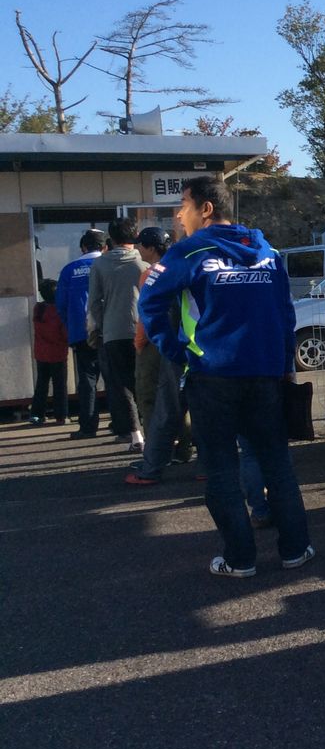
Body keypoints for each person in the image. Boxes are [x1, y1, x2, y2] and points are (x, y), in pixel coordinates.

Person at [139, 176, 312, 578]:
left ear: (206, 209)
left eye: (184, 205)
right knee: (277, 464)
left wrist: (176, 351)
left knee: (220, 470)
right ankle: (295, 550)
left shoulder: (189, 251)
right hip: (265, 375)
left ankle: (240, 560)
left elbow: (150, 302)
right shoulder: (267, 251)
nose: (178, 215)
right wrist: (284, 364)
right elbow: (285, 312)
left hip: (212, 376)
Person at [126, 227, 186, 486]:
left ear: (151, 248)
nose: (138, 249)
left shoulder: (152, 274)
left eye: (140, 245)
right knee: (188, 401)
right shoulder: (184, 266)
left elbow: (147, 314)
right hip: (191, 343)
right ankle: (187, 451)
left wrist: (140, 342)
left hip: (160, 345)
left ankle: (154, 459)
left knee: (154, 401)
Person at [88, 218, 148, 449]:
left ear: (111, 238)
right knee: (146, 381)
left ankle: (135, 435)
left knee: (122, 385)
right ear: (135, 235)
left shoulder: (100, 265)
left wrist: (104, 325)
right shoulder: (144, 261)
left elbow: (94, 302)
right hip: (143, 330)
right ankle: (153, 430)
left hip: (113, 332)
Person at [56, 229, 105, 438]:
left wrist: (71, 326)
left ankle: (88, 427)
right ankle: (124, 426)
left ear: (83, 247)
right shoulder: (108, 265)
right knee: (116, 378)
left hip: (81, 332)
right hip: (110, 330)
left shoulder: (69, 270)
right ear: (104, 247)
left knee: (87, 380)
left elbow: (61, 304)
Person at [30, 278, 69, 425]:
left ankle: (37, 415)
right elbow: (63, 334)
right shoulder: (58, 311)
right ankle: (61, 416)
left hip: (41, 353)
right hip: (58, 353)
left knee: (41, 385)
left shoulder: (38, 309)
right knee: (60, 386)